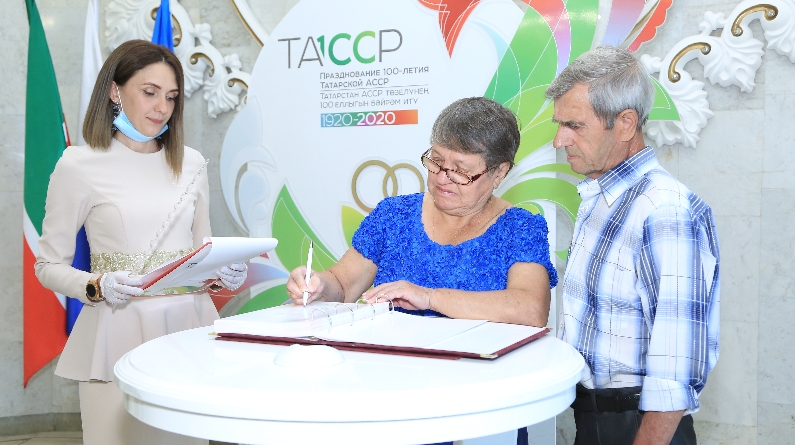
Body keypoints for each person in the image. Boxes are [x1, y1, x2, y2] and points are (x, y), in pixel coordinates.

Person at [286, 96, 558, 445]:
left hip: (483, 405)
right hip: (390, 398)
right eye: (437, 161)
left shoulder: (520, 227)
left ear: (499, 173)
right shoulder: (394, 215)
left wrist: (429, 297)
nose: (443, 177)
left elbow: (530, 309)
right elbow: (343, 282)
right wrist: (318, 285)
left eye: (461, 170)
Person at [35, 40, 247, 445]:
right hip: (116, 331)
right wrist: (96, 285)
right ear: (115, 91)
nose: (162, 107)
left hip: (187, 330)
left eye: (171, 97)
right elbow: (47, 266)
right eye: (150, 92)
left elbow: (201, 253)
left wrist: (223, 272)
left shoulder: (192, 162)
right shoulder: (78, 164)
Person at [546, 45, 720, 445]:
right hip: (595, 420)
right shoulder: (599, 196)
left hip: (641, 427)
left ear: (625, 124)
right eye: (560, 124)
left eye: (574, 125)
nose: (559, 140)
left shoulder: (665, 211)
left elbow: (674, 370)